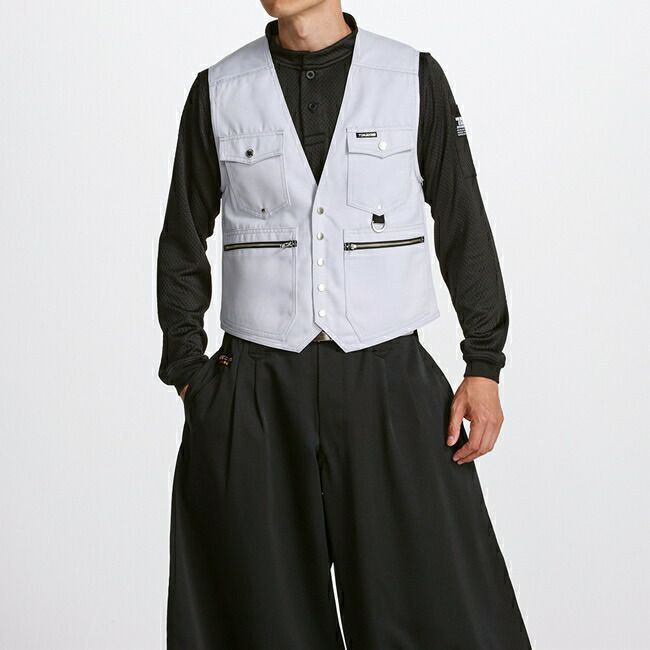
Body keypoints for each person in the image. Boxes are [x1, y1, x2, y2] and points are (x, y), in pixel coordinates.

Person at [156, 1, 532, 647]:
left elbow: (462, 218)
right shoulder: (219, 89)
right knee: (259, 624)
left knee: (441, 613)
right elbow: (181, 237)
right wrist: (191, 374)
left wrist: (484, 363)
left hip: (389, 380)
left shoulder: (411, 77)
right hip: (257, 390)